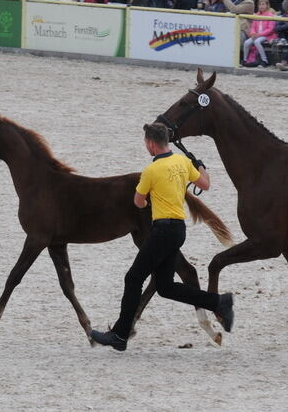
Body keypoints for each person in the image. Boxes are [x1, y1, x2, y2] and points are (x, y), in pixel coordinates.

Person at [89, 123, 234, 352]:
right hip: (178, 231)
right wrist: (200, 166)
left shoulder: (151, 170)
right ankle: (219, 302)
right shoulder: (182, 162)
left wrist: (147, 201)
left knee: (133, 278)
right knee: (165, 287)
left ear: (150, 143)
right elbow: (205, 184)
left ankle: (119, 334)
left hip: (162, 231)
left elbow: (138, 202)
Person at [242, 0, 278, 67]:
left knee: (257, 42)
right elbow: (253, 27)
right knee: (246, 43)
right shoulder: (256, 15)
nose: (261, 6)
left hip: (267, 36)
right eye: (260, 4)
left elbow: (270, 29)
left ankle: (264, 60)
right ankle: (245, 59)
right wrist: (253, 33)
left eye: (263, 4)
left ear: (267, 5)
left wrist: (259, 34)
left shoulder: (270, 15)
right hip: (256, 35)